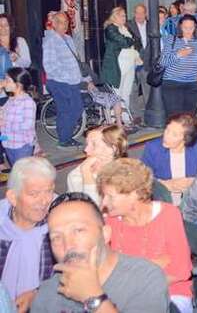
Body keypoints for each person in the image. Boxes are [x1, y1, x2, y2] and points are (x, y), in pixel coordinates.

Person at [31, 192, 170, 313]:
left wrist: (92, 297)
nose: (68, 245)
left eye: (78, 230)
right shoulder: (48, 292)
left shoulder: (144, 278)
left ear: (105, 234)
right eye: (56, 237)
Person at [98, 158, 192, 313]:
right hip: (123, 297)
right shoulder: (108, 221)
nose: (104, 203)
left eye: (110, 197)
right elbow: (103, 271)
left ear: (134, 194)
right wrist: (158, 263)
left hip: (171, 294)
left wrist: (130, 278)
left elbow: (181, 271)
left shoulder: (169, 215)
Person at [0, 158, 56, 311]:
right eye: (34, 194)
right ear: (13, 197)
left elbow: (77, 274)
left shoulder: (61, 224)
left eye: (49, 191)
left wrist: (38, 293)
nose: (44, 201)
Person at [42, 11, 90, 148]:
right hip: (59, 82)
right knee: (69, 110)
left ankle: (65, 138)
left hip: (71, 81)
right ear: (54, 24)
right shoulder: (50, 41)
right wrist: (67, 77)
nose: (63, 25)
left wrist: (82, 78)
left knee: (73, 109)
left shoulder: (68, 39)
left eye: (66, 22)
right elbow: (49, 66)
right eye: (60, 22)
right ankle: (64, 139)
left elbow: (75, 61)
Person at [141, 113, 197, 205]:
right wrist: (163, 184)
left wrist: (195, 181)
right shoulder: (153, 147)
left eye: (174, 134)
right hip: (164, 201)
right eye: (167, 130)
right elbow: (142, 177)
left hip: (194, 202)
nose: (166, 136)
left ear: (186, 139)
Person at [67, 125, 127, 205]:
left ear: (112, 149)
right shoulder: (76, 174)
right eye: (87, 144)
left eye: (94, 145)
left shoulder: (126, 176)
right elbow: (90, 209)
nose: (86, 149)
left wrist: (86, 171)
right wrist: (86, 172)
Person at [159, 14, 197, 117]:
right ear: (180, 27)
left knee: (190, 117)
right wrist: (178, 54)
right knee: (174, 117)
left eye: (191, 28)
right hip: (172, 83)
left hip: (192, 84)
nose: (188, 31)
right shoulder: (171, 40)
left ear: (195, 28)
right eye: (185, 27)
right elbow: (162, 62)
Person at [100, 7, 139, 108]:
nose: (124, 18)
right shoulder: (110, 28)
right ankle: (116, 115)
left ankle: (125, 115)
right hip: (118, 65)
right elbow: (125, 42)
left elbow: (136, 40)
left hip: (129, 64)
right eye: (122, 16)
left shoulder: (125, 28)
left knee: (127, 92)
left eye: (125, 16)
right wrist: (130, 40)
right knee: (117, 92)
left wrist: (130, 40)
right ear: (115, 16)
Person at [0, 68, 37, 165]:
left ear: (18, 85)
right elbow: (2, 112)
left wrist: (5, 123)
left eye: (7, 80)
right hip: (8, 143)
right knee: (15, 168)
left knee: (22, 171)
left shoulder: (27, 102)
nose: (4, 82)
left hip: (21, 145)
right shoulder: (11, 99)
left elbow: (27, 125)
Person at [127, 4, 152, 119]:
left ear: (145, 14)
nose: (139, 15)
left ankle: (148, 115)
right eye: (137, 13)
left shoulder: (151, 25)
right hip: (133, 63)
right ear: (134, 13)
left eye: (142, 13)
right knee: (133, 90)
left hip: (147, 63)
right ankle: (135, 116)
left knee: (148, 90)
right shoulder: (128, 25)